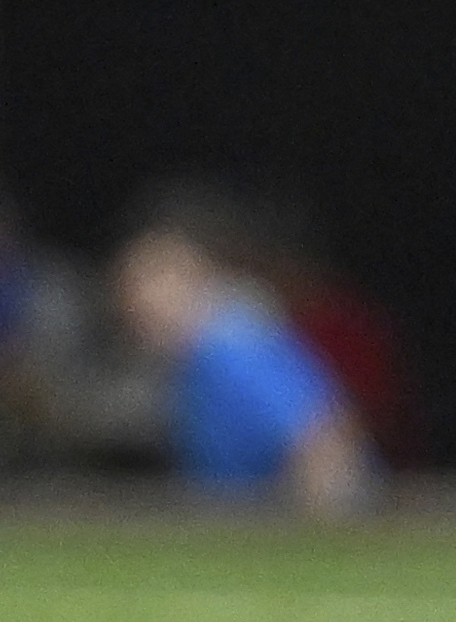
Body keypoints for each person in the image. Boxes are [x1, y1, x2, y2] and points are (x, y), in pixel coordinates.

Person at [109, 214, 372, 510]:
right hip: (232, 527)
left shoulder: (230, 347)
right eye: (131, 293)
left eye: (153, 286)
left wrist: (322, 538)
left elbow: (322, 440)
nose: (139, 307)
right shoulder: (186, 358)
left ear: (194, 280)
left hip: (273, 536)